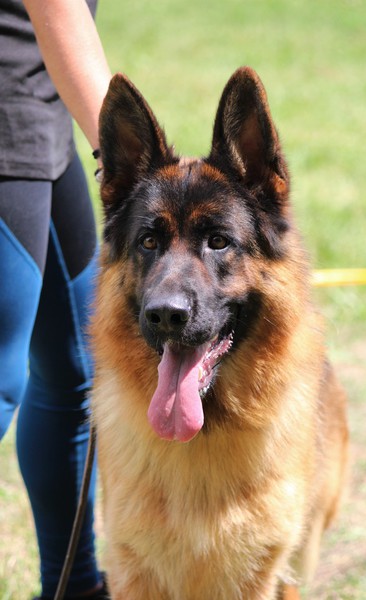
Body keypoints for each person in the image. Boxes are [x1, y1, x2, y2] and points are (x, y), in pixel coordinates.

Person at [0, 0, 111, 597]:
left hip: (42, 101)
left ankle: (74, 588)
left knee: (74, 369)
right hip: (7, 107)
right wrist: (129, 155)